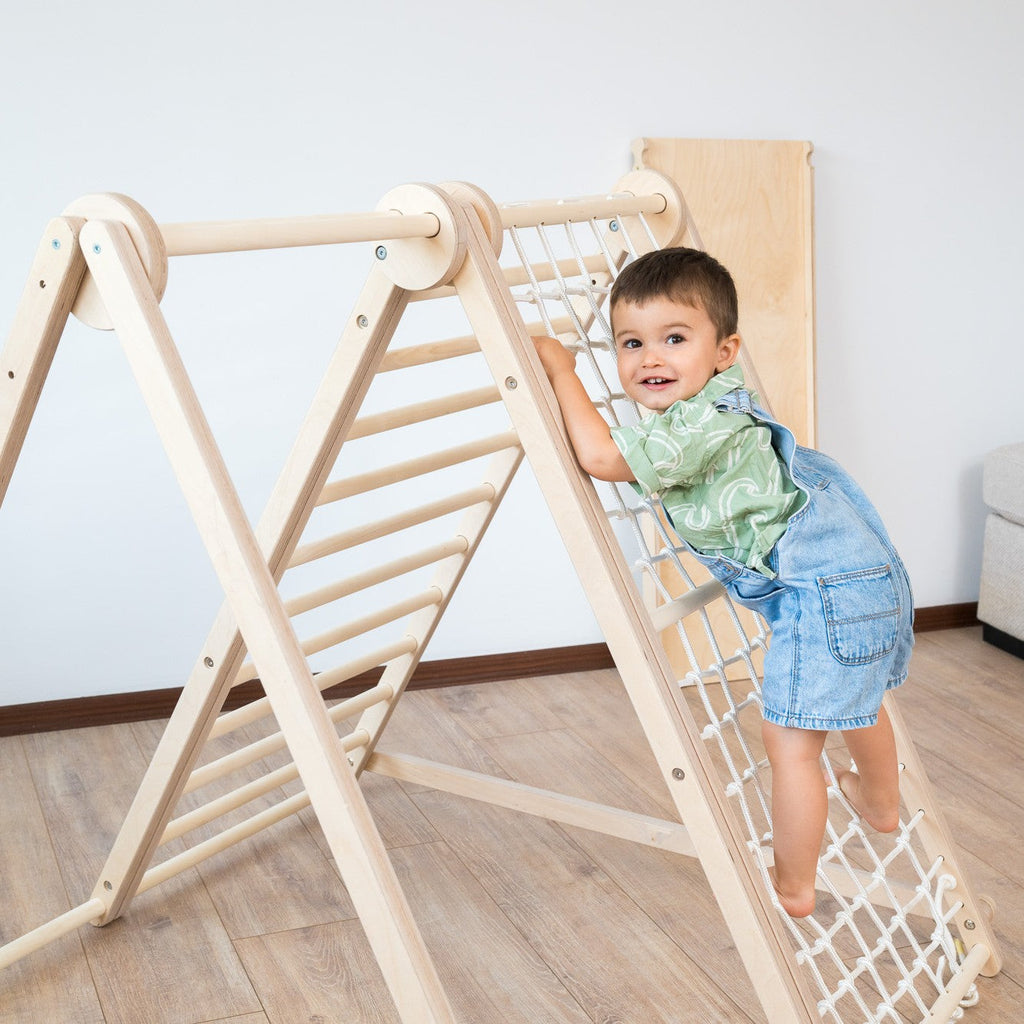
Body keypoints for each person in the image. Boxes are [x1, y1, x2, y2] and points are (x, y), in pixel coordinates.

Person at [532, 247, 914, 918]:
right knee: (861, 694)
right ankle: (881, 802)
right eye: (631, 343)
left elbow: (599, 456)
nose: (650, 359)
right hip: (860, 574)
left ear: (724, 350)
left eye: (674, 339)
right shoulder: (715, 399)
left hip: (823, 588)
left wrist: (563, 371)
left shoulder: (696, 423)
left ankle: (794, 885)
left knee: (791, 743)